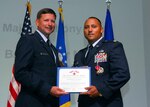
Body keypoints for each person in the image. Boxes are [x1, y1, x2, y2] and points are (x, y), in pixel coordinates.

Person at [14, 8, 68, 107]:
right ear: (37, 22)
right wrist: (48, 89)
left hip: (50, 103)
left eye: (52, 21)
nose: (50, 24)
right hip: (32, 102)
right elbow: (21, 72)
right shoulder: (28, 40)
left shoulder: (53, 49)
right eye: (46, 20)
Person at [73, 17, 130, 107]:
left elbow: (122, 74)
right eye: (86, 27)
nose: (90, 30)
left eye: (94, 26)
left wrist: (100, 90)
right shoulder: (79, 54)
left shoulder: (113, 47)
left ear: (101, 30)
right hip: (85, 103)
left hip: (107, 103)